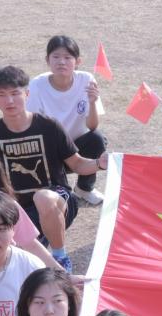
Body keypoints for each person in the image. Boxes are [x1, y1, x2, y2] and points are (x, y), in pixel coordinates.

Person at [0, 65, 109, 272]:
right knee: (22, 265)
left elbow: (76, 163)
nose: (9, 100)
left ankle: (60, 257)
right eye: (1, 94)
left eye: (15, 93)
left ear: (27, 94)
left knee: (43, 197)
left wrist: (98, 164)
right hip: (15, 211)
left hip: (57, 201)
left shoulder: (49, 126)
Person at [26, 35, 108, 206]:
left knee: (97, 138)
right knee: (52, 197)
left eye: (68, 57)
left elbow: (92, 125)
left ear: (78, 61)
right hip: (50, 149)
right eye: (56, 57)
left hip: (76, 147)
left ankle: (84, 188)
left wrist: (92, 103)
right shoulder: (37, 85)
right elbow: (32, 127)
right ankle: (53, 188)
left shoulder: (86, 80)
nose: (61, 62)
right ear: (47, 60)